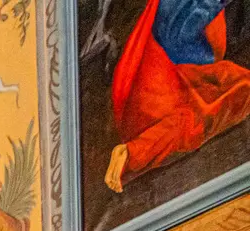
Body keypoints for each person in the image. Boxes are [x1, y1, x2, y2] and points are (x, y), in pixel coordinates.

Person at [106, 0, 250, 192]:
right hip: (170, 66)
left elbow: (182, 127)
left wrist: (132, 154)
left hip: (168, 71)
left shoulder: (189, 113)